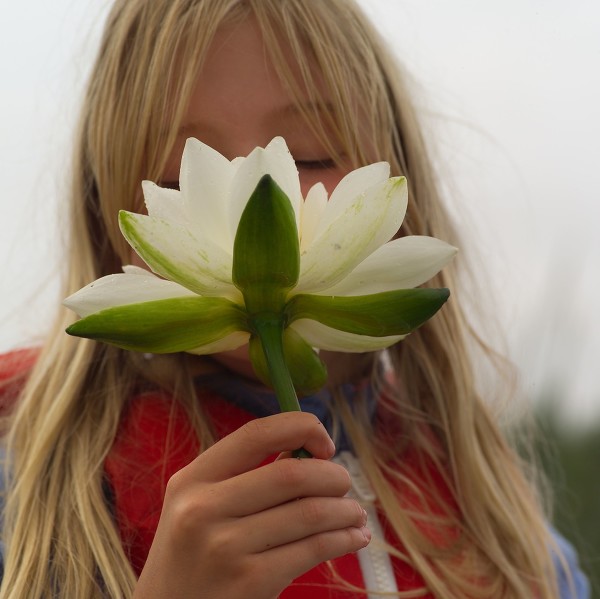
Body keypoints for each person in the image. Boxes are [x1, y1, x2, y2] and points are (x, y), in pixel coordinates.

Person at [0, 0, 589, 597]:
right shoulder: (21, 477)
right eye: (180, 178)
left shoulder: (511, 533)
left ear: (396, 189)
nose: (258, 196)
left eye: (308, 155)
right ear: (109, 224)